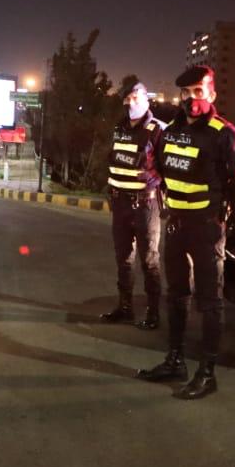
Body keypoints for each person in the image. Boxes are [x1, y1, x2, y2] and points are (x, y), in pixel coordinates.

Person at [138, 64, 235, 399]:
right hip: (176, 224)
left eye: (199, 91)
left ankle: (207, 373)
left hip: (206, 229)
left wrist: (224, 212)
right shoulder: (170, 131)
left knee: (209, 301)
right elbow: (160, 169)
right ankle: (175, 361)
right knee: (176, 295)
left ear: (211, 94)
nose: (192, 99)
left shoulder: (224, 134)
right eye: (187, 93)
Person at [100, 82, 167, 330]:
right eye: (127, 97)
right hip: (119, 202)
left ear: (146, 99)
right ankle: (125, 308)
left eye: (135, 96)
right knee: (123, 258)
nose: (131, 101)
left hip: (144, 203)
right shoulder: (120, 127)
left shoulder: (158, 129)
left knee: (149, 260)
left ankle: (153, 313)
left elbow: (169, 167)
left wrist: (157, 177)